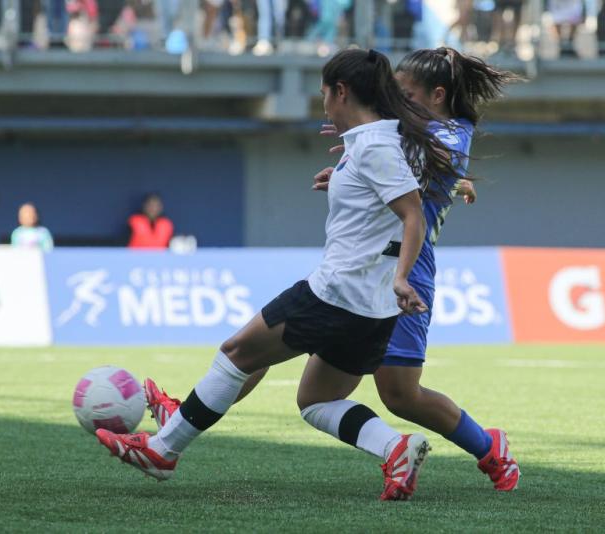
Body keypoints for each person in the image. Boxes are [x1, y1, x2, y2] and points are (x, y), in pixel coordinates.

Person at [96, 48, 465, 501]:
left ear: (342, 92)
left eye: (325, 93)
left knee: (237, 353)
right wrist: (350, 174)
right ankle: (395, 448)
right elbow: (406, 187)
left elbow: (414, 216)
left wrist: (403, 276)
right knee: (316, 400)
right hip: (374, 308)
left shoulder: (375, 146)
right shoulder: (380, 140)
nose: (324, 103)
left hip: (337, 293)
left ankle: (163, 449)